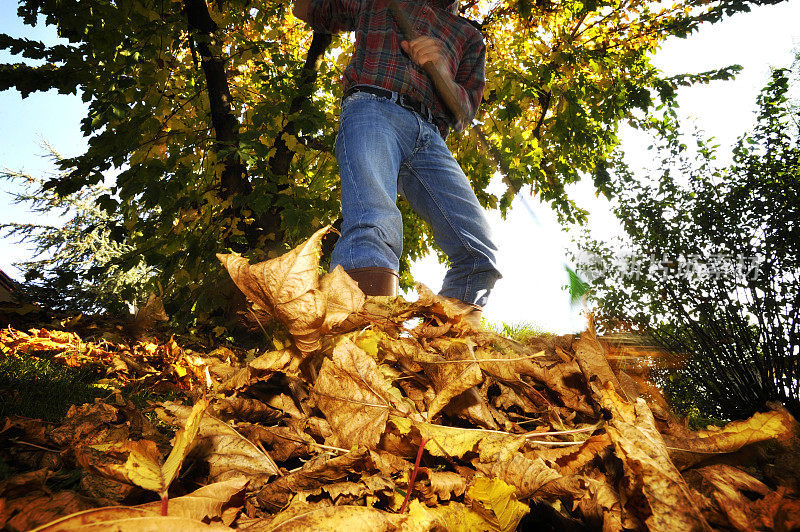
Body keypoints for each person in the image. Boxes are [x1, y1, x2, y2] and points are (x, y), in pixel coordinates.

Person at [293, 0, 501, 323]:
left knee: (479, 250)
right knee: (374, 223)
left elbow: (464, 114)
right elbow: (304, 9)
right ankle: (360, 340)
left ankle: (447, 351)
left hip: (430, 136)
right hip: (372, 105)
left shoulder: (468, 36)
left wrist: (443, 72)